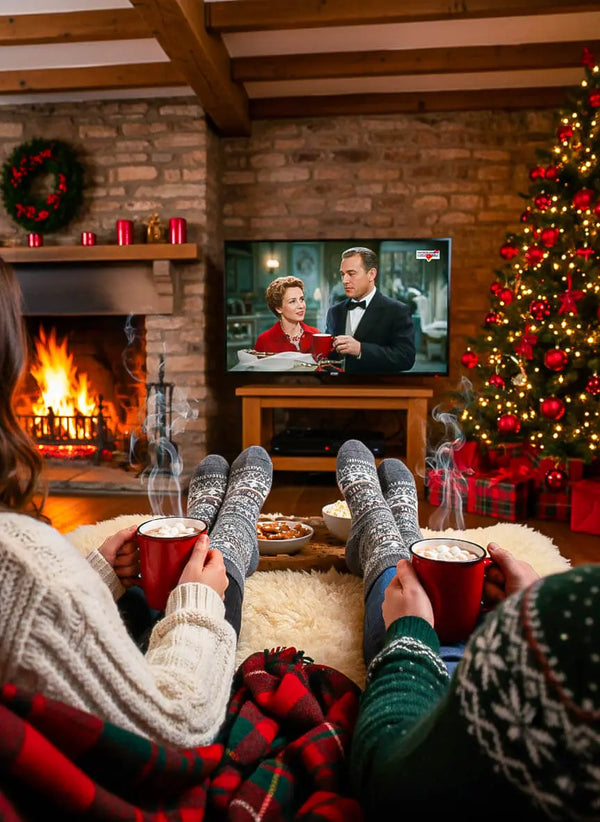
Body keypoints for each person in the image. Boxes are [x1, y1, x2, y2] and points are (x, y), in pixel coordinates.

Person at [0, 257, 273, 749]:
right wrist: (201, 602)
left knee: (147, 587)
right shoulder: (23, 562)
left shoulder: (27, 568)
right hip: (149, 775)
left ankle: (211, 520)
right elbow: (176, 723)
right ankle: (233, 531)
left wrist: (96, 574)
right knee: (198, 579)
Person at [335, 439, 600, 820]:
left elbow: (391, 781)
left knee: (404, 583)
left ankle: (378, 529)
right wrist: (532, 605)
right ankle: (398, 527)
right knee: (441, 592)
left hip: (442, 702)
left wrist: (409, 634)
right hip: (497, 675)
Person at [325, 247, 416, 373]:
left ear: (371, 274)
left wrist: (360, 349)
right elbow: (329, 357)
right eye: (342, 274)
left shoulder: (397, 311)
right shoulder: (334, 312)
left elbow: (406, 358)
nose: (345, 280)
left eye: (351, 273)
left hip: (377, 389)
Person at [254, 275, 321, 354]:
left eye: (301, 299)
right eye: (292, 301)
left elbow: (324, 364)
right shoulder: (264, 341)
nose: (301, 306)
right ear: (278, 308)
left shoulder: (316, 335)